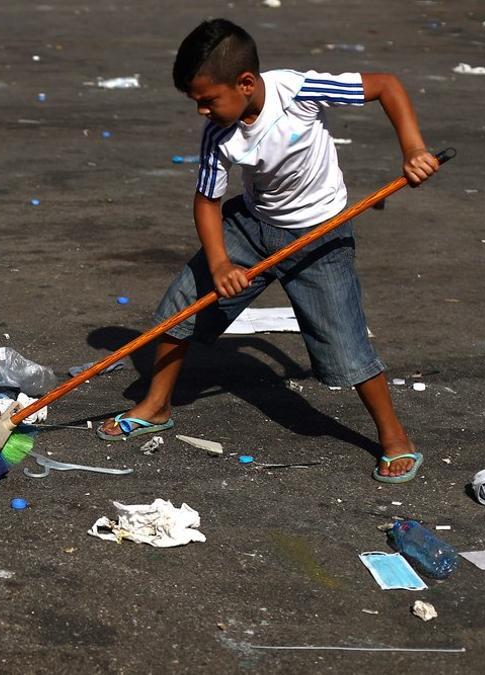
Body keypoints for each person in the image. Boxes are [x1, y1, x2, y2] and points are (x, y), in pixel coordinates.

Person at [96, 19, 440, 484]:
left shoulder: (299, 91)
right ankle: (156, 406)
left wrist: (413, 149)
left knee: (345, 349)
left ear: (246, 83)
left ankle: (395, 437)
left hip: (321, 235)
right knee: (179, 310)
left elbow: (386, 86)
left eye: (208, 99)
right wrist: (219, 263)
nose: (201, 110)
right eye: (195, 102)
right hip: (252, 226)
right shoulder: (220, 134)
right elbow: (207, 202)